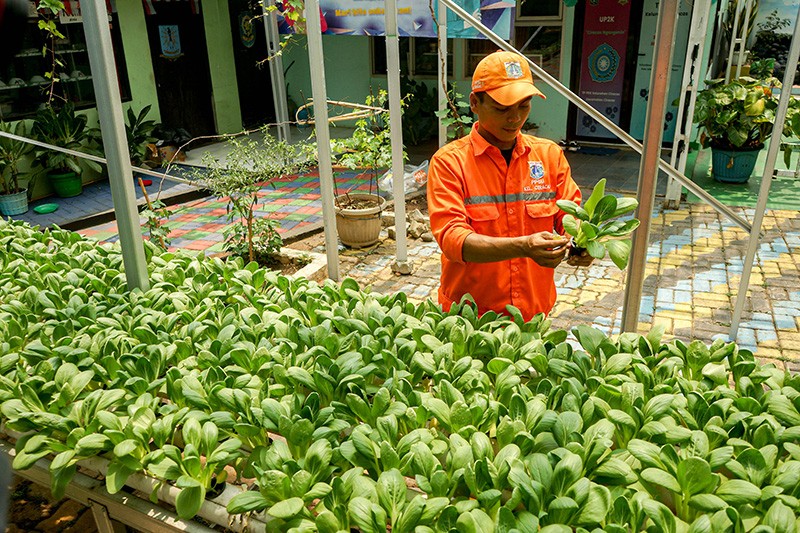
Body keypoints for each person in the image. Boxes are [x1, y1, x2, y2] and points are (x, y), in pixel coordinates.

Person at [427, 50, 593, 321]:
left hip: (532, 314)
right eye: (502, 109)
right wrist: (523, 246)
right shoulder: (449, 163)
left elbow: (571, 216)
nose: (515, 118)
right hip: (469, 318)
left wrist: (582, 243)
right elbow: (453, 240)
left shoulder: (549, 156)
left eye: (524, 105)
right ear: (475, 103)